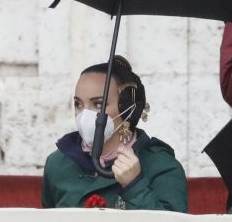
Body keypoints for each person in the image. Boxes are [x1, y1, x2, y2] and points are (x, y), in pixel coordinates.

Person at [41, 57, 187, 211]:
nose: (84, 114)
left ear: (128, 109)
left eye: (98, 104)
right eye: (78, 104)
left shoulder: (161, 165)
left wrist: (134, 185)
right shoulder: (58, 163)